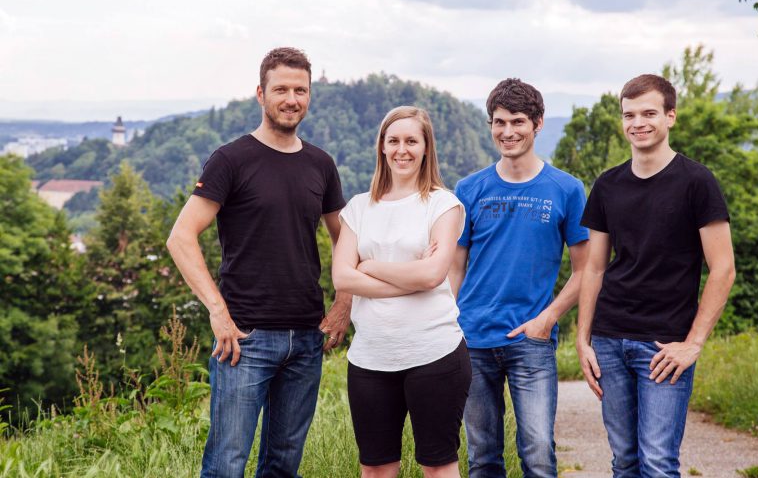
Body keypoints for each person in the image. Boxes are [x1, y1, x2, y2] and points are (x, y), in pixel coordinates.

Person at [166, 47, 351, 478]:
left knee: (284, 465)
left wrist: (344, 304)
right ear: (260, 94)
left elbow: (345, 239)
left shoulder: (320, 164)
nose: (291, 99)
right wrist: (218, 313)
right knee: (226, 466)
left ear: (310, 96)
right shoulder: (231, 159)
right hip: (244, 339)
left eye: (300, 90)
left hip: (307, 338)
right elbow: (180, 237)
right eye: (281, 89)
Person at [576, 74, 736, 478]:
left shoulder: (696, 182)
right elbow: (594, 267)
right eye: (629, 115)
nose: (638, 123)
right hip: (610, 339)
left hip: (665, 345)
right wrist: (583, 339)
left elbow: (723, 268)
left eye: (649, 113)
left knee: (658, 463)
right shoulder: (608, 185)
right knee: (624, 461)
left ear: (671, 116)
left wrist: (693, 343)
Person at [448, 78, 590, 478]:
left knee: (539, 454)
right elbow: (455, 266)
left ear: (538, 124)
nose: (507, 132)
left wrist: (548, 318)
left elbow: (587, 269)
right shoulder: (469, 188)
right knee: (482, 459)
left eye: (517, 122)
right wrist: (449, 323)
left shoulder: (566, 189)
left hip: (532, 340)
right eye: (499, 122)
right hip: (472, 338)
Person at [332, 106, 471, 478]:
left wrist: (372, 266)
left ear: (427, 148)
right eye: (393, 141)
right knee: (376, 470)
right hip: (370, 360)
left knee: (438, 467)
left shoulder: (444, 204)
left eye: (412, 141)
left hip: (434, 353)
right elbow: (342, 278)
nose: (402, 149)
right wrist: (409, 278)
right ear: (381, 147)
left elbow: (431, 276)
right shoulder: (359, 207)